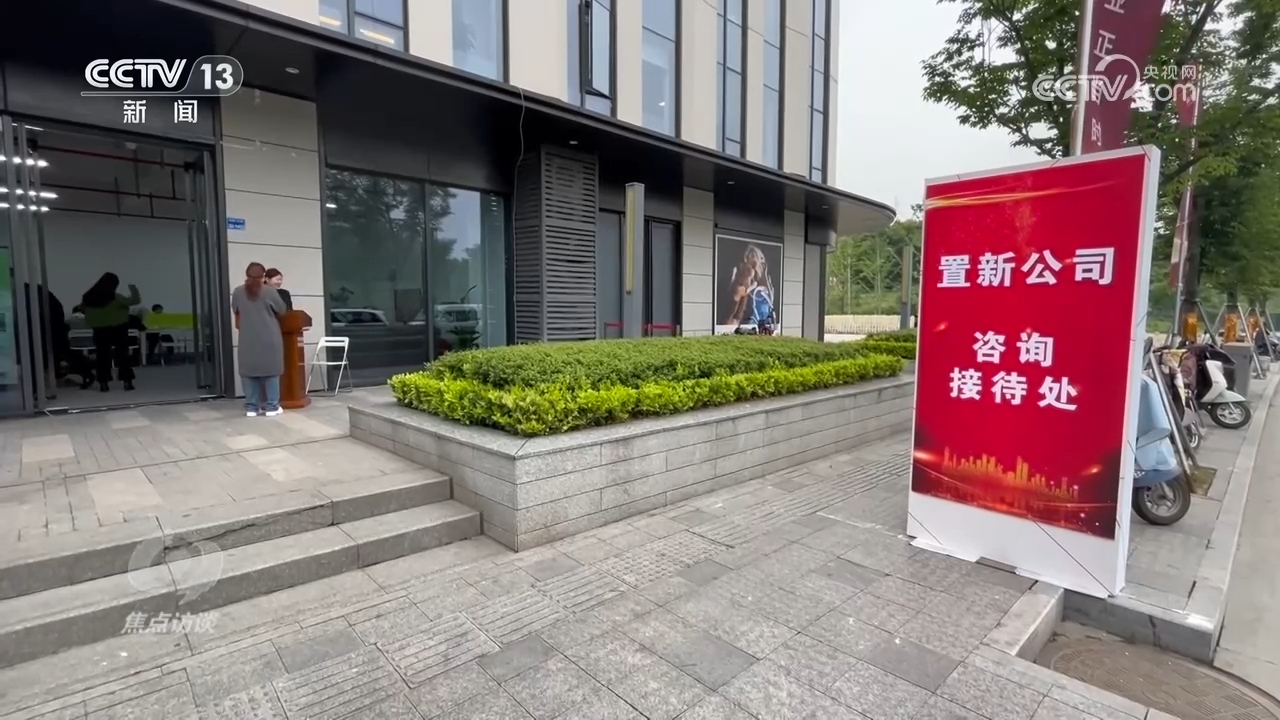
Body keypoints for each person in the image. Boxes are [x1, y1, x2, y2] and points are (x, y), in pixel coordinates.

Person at [232, 262, 286, 417]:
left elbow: (236, 310)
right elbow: (282, 310)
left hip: (247, 337)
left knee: (249, 372)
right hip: (269, 336)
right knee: (271, 371)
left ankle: (251, 407)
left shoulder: (238, 292)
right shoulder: (269, 291)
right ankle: (272, 406)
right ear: (263, 276)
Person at [80, 273, 140, 392]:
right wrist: (133, 287)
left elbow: (82, 309)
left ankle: (103, 383)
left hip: (99, 329)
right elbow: (135, 300)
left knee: (102, 356)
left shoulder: (88, 297)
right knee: (122, 355)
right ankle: (127, 381)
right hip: (119, 328)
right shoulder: (115, 297)